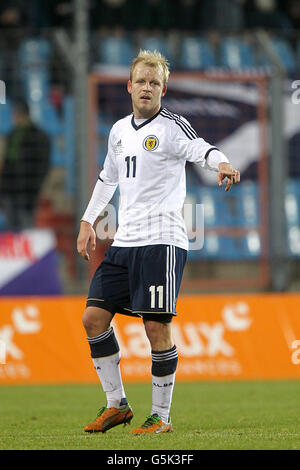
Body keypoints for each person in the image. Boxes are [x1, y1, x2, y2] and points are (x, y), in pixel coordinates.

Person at [77, 50, 240, 435]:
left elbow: (201, 148)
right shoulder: (118, 131)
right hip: (124, 241)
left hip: (162, 241)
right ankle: (117, 405)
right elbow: (107, 179)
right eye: (141, 82)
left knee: (156, 327)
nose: (147, 88)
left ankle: (161, 417)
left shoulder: (171, 126)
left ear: (163, 89)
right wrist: (87, 221)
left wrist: (221, 162)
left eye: (155, 83)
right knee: (93, 319)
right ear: (129, 86)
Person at [0, 99, 50, 231]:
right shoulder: (12, 135)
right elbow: (7, 164)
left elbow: (42, 165)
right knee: (11, 228)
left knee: (26, 227)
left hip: (27, 191)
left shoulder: (38, 136)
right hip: (10, 190)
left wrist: (35, 187)